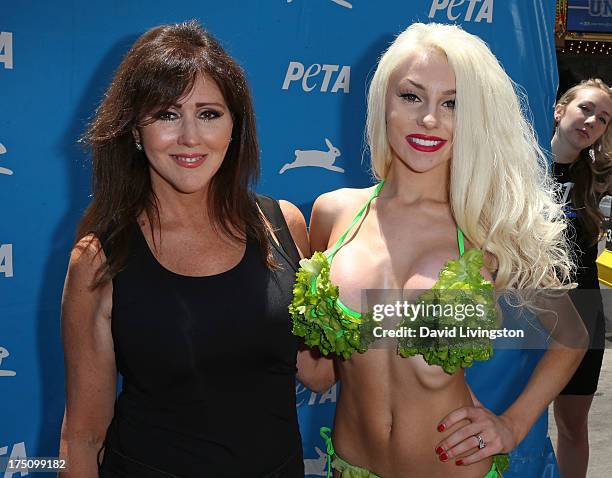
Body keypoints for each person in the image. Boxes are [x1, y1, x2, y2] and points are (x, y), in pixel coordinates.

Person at [291, 23, 586, 477]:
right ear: (383, 101)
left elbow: (572, 337)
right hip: (348, 467)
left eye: (453, 103)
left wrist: (512, 422)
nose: (430, 119)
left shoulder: (489, 227)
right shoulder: (335, 214)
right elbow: (319, 373)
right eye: (411, 96)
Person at [59, 20, 330, 477]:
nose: (190, 137)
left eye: (209, 113)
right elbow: (83, 436)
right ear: (134, 131)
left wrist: (403, 300)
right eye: (167, 114)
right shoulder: (99, 257)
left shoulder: (282, 225)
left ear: (234, 127)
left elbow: (318, 371)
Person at [551, 78, 612, 478]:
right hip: (524, 311)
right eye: (586, 108)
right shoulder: (517, 165)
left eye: (603, 118)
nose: (592, 120)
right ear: (560, 110)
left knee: (572, 428)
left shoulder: (600, 177)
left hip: (584, 313)